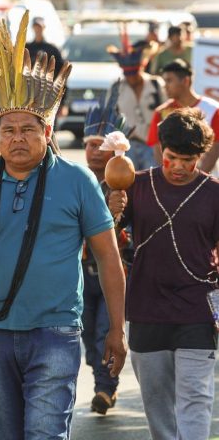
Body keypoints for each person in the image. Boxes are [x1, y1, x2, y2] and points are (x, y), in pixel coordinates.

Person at [0, 12, 127, 438]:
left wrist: (116, 330)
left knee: (45, 434)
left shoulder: (76, 180)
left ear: (46, 131)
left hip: (56, 332)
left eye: (27, 129)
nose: (17, 138)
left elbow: (109, 257)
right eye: (8, 130)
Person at [108, 108, 218, 440]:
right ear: (161, 151)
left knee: (195, 399)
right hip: (146, 309)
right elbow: (107, 243)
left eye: (189, 159)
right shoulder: (134, 185)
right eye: (173, 158)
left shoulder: (214, 193)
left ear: (201, 156)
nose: (181, 167)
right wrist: (112, 212)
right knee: (158, 406)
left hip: (198, 311)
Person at [80, 90, 131, 415]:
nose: (94, 151)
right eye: (88, 144)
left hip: (112, 272)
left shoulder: (126, 182)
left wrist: (119, 209)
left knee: (105, 331)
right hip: (81, 272)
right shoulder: (75, 180)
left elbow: (128, 231)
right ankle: (101, 377)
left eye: (101, 145)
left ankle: (105, 388)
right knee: (85, 334)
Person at [146, 59, 219, 171]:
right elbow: (157, 149)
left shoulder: (213, 109)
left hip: (206, 182)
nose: (165, 86)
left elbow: (215, 149)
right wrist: (170, 177)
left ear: (185, 81)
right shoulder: (161, 112)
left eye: (169, 80)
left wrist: (197, 180)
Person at [108, 36, 165, 170]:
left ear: (142, 68)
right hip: (128, 145)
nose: (132, 78)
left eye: (135, 73)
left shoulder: (156, 84)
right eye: (128, 74)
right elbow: (110, 118)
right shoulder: (116, 87)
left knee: (153, 182)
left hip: (154, 144)